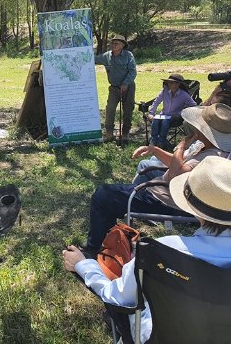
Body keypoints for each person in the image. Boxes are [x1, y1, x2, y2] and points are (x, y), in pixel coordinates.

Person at [63, 156, 231, 343]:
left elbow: (117, 296)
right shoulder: (163, 251)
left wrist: (83, 265)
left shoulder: (165, 251)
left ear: (192, 207)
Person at [83, 103, 231, 255]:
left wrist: (181, 146)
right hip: (167, 193)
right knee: (112, 195)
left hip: (169, 202)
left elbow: (176, 174)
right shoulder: (204, 146)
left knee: (103, 195)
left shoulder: (211, 156)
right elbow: (177, 163)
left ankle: (92, 249)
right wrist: (154, 150)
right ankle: (108, 240)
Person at [95, 35, 137, 142]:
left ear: (122, 46)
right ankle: (109, 133)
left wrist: (125, 83)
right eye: (112, 43)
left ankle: (125, 133)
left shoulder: (128, 56)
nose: (113, 45)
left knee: (128, 109)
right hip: (114, 88)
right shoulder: (107, 56)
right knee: (110, 108)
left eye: (116, 43)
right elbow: (94, 59)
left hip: (128, 87)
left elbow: (133, 71)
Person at [146, 74, 197, 149]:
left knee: (165, 121)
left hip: (176, 117)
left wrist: (180, 113)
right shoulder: (165, 91)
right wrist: (151, 113)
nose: (169, 84)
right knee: (156, 120)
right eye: (169, 82)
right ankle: (153, 141)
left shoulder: (184, 95)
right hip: (163, 114)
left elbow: (194, 105)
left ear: (178, 84)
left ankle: (162, 141)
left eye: (171, 82)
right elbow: (156, 102)